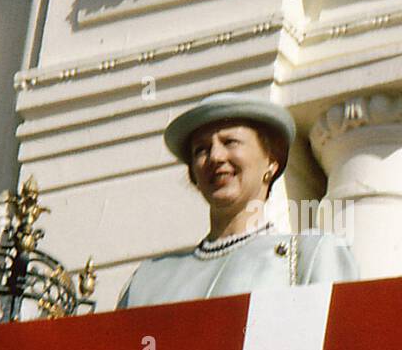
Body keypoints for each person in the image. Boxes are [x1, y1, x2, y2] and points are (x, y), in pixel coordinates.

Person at [117, 92, 359, 308]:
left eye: (230, 142)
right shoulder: (149, 279)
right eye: (201, 149)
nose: (215, 156)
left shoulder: (310, 256)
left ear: (271, 162)